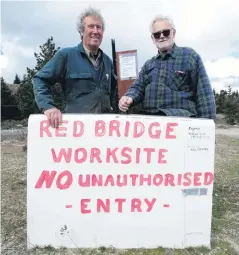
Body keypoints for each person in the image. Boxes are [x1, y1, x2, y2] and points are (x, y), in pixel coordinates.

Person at [32, 7, 118, 128]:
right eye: (91, 26)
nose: (95, 31)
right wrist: (48, 107)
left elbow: (113, 95)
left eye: (99, 27)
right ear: (81, 32)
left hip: (103, 132)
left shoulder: (108, 62)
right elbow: (39, 79)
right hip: (76, 132)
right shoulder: (66, 56)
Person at [119, 15, 216, 120]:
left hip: (181, 122)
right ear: (153, 39)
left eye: (165, 32)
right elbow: (138, 87)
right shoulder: (148, 65)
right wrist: (129, 97)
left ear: (173, 33)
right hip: (150, 122)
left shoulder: (189, 56)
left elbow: (204, 94)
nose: (161, 36)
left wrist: (207, 127)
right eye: (156, 34)